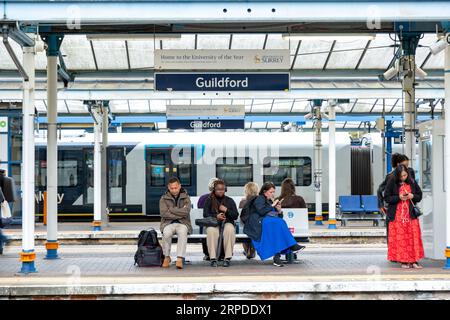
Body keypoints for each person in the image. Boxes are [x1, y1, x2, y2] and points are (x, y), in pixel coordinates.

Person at [244, 182, 304, 267]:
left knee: (278, 225)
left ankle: (277, 257)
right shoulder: (260, 198)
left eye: (273, 192)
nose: (273, 194)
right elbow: (261, 211)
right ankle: (292, 245)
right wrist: (272, 205)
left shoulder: (268, 201)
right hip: (258, 223)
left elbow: (278, 216)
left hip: (268, 223)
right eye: (271, 192)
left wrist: (279, 210)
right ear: (265, 192)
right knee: (279, 223)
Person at [384, 165, 424, 269]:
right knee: (401, 239)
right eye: (401, 176)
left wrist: (412, 196)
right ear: (397, 175)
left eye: (405, 175)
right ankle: (404, 261)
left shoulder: (412, 182)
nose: (403, 178)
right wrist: (399, 197)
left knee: (413, 237)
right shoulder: (392, 182)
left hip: (410, 215)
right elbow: (387, 198)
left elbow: (419, 196)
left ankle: (414, 260)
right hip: (397, 216)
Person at [203, 179, 239, 267]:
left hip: (227, 222)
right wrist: (216, 216)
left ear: (225, 190)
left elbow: (235, 215)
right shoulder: (209, 200)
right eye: (218, 189)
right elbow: (205, 214)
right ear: (214, 190)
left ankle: (227, 258)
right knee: (211, 231)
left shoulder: (229, 200)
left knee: (230, 230)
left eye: (222, 189)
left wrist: (226, 210)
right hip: (213, 223)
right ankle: (213, 258)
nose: (220, 191)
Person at [159, 177, 192, 269]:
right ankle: (166, 256)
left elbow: (186, 212)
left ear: (179, 186)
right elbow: (164, 214)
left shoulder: (186, 197)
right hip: (167, 223)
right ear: (168, 188)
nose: (174, 190)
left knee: (182, 232)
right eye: (172, 188)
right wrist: (179, 213)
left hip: (183, 223)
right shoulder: (163, 198)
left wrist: (172, 210)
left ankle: (179, 258)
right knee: (166, 233)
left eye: (176, 188)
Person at [197, 178, 219, 261]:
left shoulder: (202, 198)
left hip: (205, 224)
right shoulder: (221, 198)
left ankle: (207, 254)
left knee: (206, 228)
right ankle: (219, 253)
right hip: (217, 223)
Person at [239, 182, 259, 259]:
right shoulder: (260, 201)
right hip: (257, 226)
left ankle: (247, 249)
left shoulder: (242, 202)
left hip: (244, 226)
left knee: (245, 228)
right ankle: (252, 250)